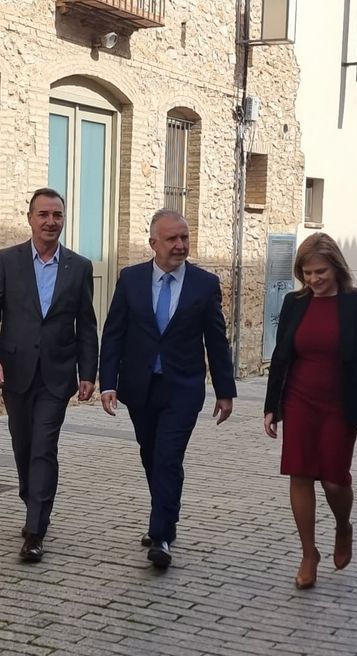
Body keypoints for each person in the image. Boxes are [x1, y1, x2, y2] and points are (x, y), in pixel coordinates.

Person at [99, 209, 235, 570]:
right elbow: (114, 334)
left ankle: (160, 534)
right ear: (153, 243)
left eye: (184, 237)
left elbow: (216, 341)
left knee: (167, 457)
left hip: (183, 388)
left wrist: (225, 391)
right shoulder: (131, 280)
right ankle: (166, 516)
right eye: (172, 239)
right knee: (150, 454)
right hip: (140, 387)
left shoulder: (204, 285)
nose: (179, 245)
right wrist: (107, 382)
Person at [263, 232, 357, 590]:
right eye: (307, 273)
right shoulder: (294, 303)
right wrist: (271, 407)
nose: (313, 279)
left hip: (340, 403)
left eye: (320, 272)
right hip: (299, 400)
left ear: (336, 267)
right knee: (300, 474)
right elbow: (281, 356)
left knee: (335, 480)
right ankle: (309, 554)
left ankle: (342, 526)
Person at [0, 188, 99, 563]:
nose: (50, 222)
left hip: (57, 375)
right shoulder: (7, 261)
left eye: (57, 215)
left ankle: (35, 531)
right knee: (23, 446)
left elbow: (86, 326)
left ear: (64, 220)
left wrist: (88, 372)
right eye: (43, 214)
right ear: (30, 218)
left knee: (44, 446)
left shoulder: (79, 267)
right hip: (15, 372)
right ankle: (32, 500)